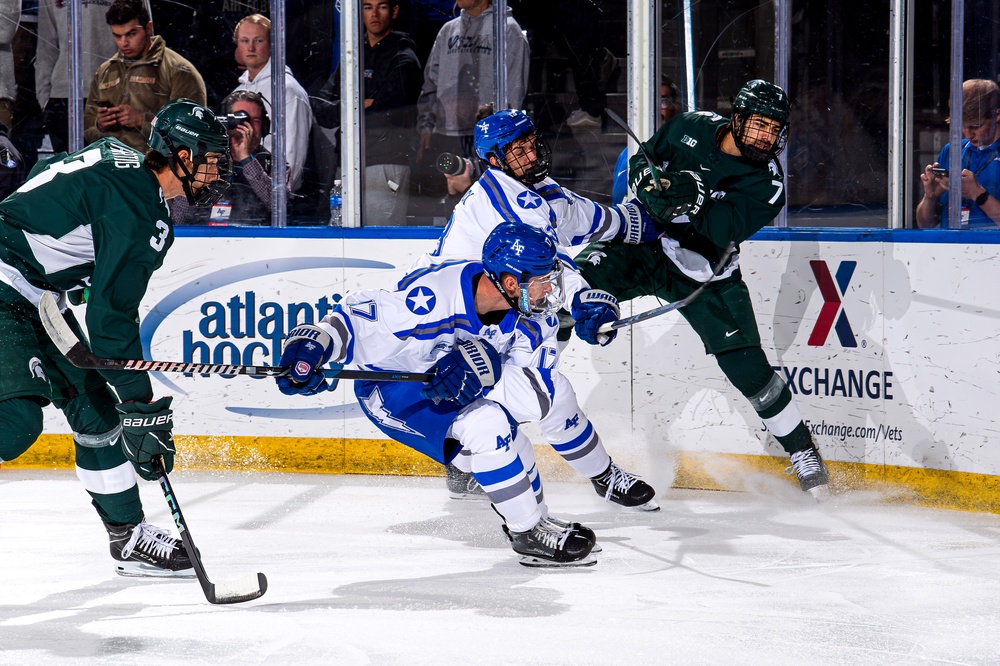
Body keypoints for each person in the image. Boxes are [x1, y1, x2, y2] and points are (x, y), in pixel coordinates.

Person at [275, 223, 598, 568]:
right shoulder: (431, 297)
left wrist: (489, 369)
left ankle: (537, 521)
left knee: (512, 437)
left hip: (446, 389)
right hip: (389, 388)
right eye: (540, 282)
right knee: (488, 425)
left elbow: (532, 388)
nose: (548, 292)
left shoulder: (531, 317)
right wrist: (315, 343)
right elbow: (358, 318)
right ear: (508, 282)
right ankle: (527, 533)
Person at [0, 98, 232, 575]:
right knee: (16, 421)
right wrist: (142, 408)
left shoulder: (117, 156)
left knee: (95, 414)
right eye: (211, 159)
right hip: (7, 284)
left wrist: (75, 272)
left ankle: (127, 535)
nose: (217, 172)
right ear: (183, 157)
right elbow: (111, 323)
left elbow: (43, 190)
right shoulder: (143, 211)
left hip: (36, 294)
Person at [573, 79, 830, 496]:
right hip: (641, 244)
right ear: (738, 118)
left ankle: (802, 450)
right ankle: (492, 428)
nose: (767, 138)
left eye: (775, 129)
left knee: (749, 368)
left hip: (703, 269)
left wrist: (691, 198)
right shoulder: (689, 124)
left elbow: (721, 228)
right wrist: (651, 188)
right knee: (562, 298)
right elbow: (645, 159)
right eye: (759, 126)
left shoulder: (769, 185)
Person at [420, 108, 662, 509]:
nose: (531, 155)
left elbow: (584, 216)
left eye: (532, 143)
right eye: (518, 151)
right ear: (494, 160)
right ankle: (600, 479)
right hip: (463, 323)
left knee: (528, 392)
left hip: (498, 310)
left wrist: (637, 222)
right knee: (545, 392)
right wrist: (582, 297)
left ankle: (465, 470)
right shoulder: (505, 203)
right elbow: (546, 266)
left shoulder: (534, 186)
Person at [312, 0, 422, 225]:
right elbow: (321, 108)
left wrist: (347, 107)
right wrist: (358, 103)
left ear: (394, 11)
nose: (374, 13)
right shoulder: (354, 52)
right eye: (367, 6)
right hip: (347, 162)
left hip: (385, 165)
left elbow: (385, 113)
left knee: (382, 242)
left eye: (381, 6)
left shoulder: (404, 56)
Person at [415, 0, 528, 201]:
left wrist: (500, 138)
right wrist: (425, 125)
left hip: (487, 138)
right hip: (446, 134)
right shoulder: (448, 30)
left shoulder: (509, 31)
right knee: (450, 207)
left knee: (484, 203)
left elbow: (514, 91)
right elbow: (431, 81)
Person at [83, 0, 206, 153]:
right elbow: (87, 128)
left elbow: (192, 131)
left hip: (160, 170)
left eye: (131, 34)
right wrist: (99, 125)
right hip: (113, 170)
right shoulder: (104, 71)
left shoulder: (179, 71)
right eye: (117, 36)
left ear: (148, 28)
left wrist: (143, 121)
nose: (123, 43)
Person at [231, 13, 313, 193]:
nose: (250, 47)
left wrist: (279, 197)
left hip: (274, 202)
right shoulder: (237, 93)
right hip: (240, 196)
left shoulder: (287, 90)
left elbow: (292, 160)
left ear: (272, 45)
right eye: (244, 40)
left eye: (258, 40)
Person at [171, 90, 271, 225]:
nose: (249, 127)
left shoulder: (273, 163)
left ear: (265, 126)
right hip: (202, 237)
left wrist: (246, 159)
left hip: (256, 237)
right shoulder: (204, 159)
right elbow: (179, 218)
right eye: (241, 119)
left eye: (256, 121)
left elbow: (278, 206)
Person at [34, 0, 120, 154]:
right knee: (68, 174)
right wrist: (44, 99)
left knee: (109, 173)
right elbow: (46, 46)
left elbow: (143, 39)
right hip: (62, 97)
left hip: (113, 94)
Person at [915, 79, 1000, 229]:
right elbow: (924, 224)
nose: (967, 134)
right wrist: (930, 197)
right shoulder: (952, 151)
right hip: (950, 247)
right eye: (961, 126)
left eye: (975, 126)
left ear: (996, 115)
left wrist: (978, 194)